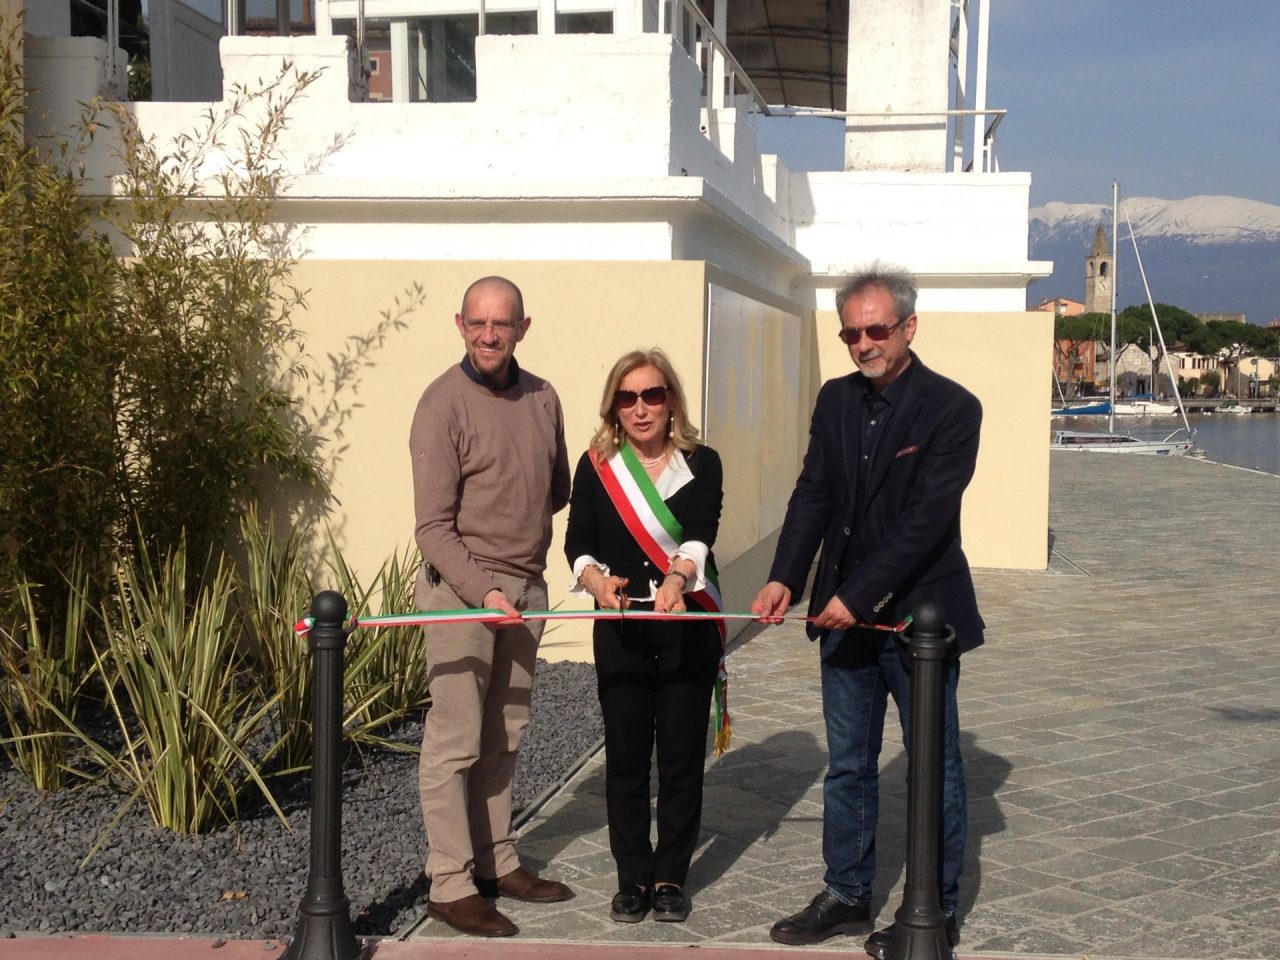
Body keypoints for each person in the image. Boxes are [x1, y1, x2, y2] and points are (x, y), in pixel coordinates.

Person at [751, 263, 984, 958]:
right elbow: (813, 495)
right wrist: (785, 579)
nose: (862, 343)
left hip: (919, 622)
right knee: (849, 764)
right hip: (840, 620)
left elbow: (926, 522)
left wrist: (859, 597)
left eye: (876, 329)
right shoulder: (835, 400)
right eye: (851, 331)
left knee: (932, 767)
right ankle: (847, 894)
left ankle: (935, 911)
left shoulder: (952, 407)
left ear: (908, 327)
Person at [410, 275, 574, 937]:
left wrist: (519, 582)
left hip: (526, 591)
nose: (488, 334)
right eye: (477, 322)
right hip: (461, 595)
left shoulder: (544, 399)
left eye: (501, 324)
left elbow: (554, 490)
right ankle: (450, 883)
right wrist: (486, 590)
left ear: (522, 329)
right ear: (459, 325)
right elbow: (432, 528)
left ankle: (496, 859)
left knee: (504, 734)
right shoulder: (439, 405)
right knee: (453, 744)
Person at [564, 348, 726, 925]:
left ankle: (669, 878)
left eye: (652, 395)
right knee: (628, 761)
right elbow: (577, 537)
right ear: (614, 405)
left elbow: (702, 532)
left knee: (681, 759)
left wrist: (680, 577)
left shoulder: (702, 464)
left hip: (687, 625)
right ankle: (631, 875)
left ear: (671, 401)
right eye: (627, 397)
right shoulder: (597, 465)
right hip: (623, 628)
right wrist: (594, 578)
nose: (640, 408)